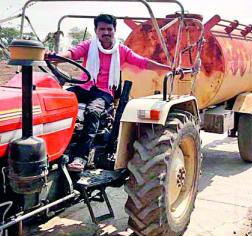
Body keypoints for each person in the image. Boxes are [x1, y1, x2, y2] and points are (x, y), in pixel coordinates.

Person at [48, 14, 171, 171]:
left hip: (103, 92)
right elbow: (72, 54)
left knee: (93, 112)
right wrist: (54, 57)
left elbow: (143, 62)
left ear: (114, 30)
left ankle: (81, 157)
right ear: (96, 31)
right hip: (84, 86)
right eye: (102, 29)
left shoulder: (121, 50)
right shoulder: (88, 46)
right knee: (55, 100)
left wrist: (168, 68)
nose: (106, 32)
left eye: (109, 29)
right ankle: (53, 148)